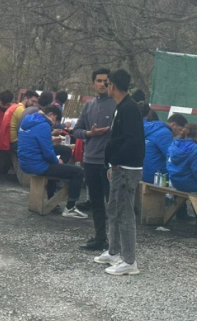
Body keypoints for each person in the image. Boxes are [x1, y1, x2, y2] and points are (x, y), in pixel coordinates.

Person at [94, 69, 145, 276]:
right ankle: (114, 251)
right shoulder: (121, 107)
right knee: (113, 209)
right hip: (117, 168)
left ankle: (129, 261)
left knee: (125, 214)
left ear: (113, 86)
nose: (106, 87)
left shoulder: (130, 108)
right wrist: (111, 164)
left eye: (108, 84)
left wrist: (116, 160)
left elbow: (133, 141)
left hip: (127, 169)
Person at [17, 105, 88, 219]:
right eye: (55, 120)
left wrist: (52, 144)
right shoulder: (44, 125)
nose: (54, 124)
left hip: (25, 161)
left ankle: (52, 196)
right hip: (37, 165)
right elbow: (47, 153)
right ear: (50, 115)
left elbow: (36, 143)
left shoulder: (29, 120)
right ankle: (70, 208)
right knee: (79, 172)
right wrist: (57, 161)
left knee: (65, 150)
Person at [73, 68, 116, 250]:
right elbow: (77, 130)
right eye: (99, 81)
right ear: (93, 84)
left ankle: (115, 242)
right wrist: (90, 133)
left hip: (108, 162)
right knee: (96, 202)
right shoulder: (89, 105)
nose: (102, 84)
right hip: (90, 159)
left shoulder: (116, 105)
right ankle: (100, 238)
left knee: (112, 204)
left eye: (106, 81)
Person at [0, 90, 38, 184]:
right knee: (37, 146)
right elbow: (28, 129)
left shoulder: (15, 106)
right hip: (14, 142)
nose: (34, 104)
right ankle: (34, 178)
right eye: (32, 101)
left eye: (36, 102)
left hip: (7, 140)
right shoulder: (22, 110)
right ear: (25, 99)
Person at [139, 102, 172, 184]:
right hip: (158, 178)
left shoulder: (132, 129)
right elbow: (172, 156)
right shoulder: (163, 132)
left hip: (136, 174)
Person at [167, 124, 197, 194]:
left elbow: (168, 163)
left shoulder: (173, 145)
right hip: (190, 185)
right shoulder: (195, 149)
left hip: (174, 182)